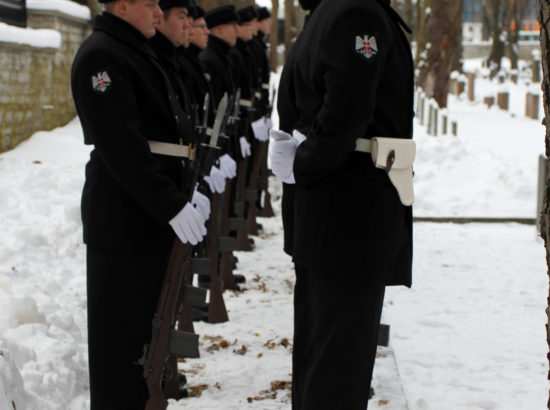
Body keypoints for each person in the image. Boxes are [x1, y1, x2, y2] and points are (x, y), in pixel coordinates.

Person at [270, 0, 414, 409]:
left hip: (330, 211)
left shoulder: (327, 13)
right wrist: (307, 161)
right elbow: (345, 112)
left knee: (322, 358)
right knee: (338, 367)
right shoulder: (358, 14)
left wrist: (304, 160)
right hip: (350, 214)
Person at [70, 0, 208, 407]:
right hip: (124, 221)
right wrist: (171, 204)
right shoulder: (103, 55)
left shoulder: (132, 49)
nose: (158, 13)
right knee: (122, 351)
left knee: (148, 341)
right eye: (149, 4)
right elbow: (121, 147)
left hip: (145, 217)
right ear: (123, 5)